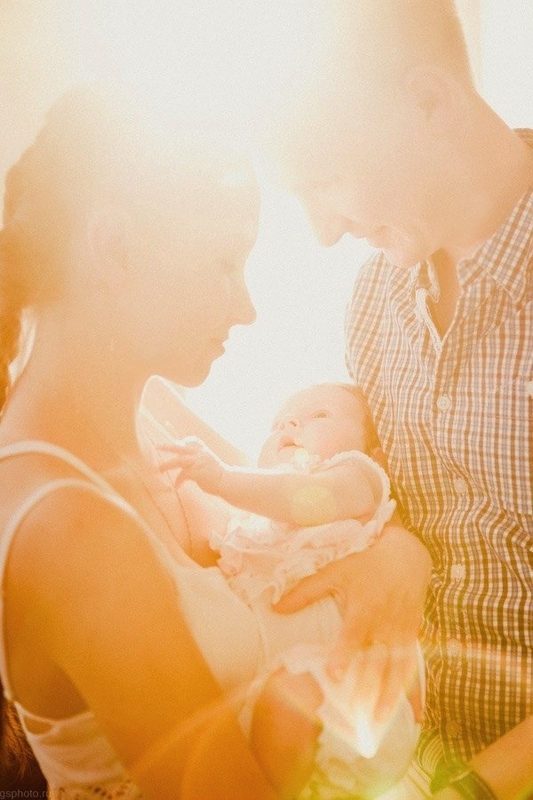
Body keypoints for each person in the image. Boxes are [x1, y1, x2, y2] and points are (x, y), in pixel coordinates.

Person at [257, 0, 533, 796]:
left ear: (428, 100)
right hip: (409, 757)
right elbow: (388, 496)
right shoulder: (375, 300)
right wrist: (399, 549)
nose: (323, 232)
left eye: (327, 181)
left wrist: (467, 792)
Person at [0, 83, 291, 798]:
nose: (248, 308)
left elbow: (297, 512)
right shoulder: (72, 530)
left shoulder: (152, 410)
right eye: (225, 262)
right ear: (116, 249)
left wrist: (398, 565)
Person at [157, 380, 423, 798]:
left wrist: (222, 478)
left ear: (375, 453)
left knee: (285, 705)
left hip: (353, 691)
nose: (290, 426)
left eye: (319, 415)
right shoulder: (257, 523)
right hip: (275, 692)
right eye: (278, 423)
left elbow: (307, 498)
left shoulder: (358, 477)